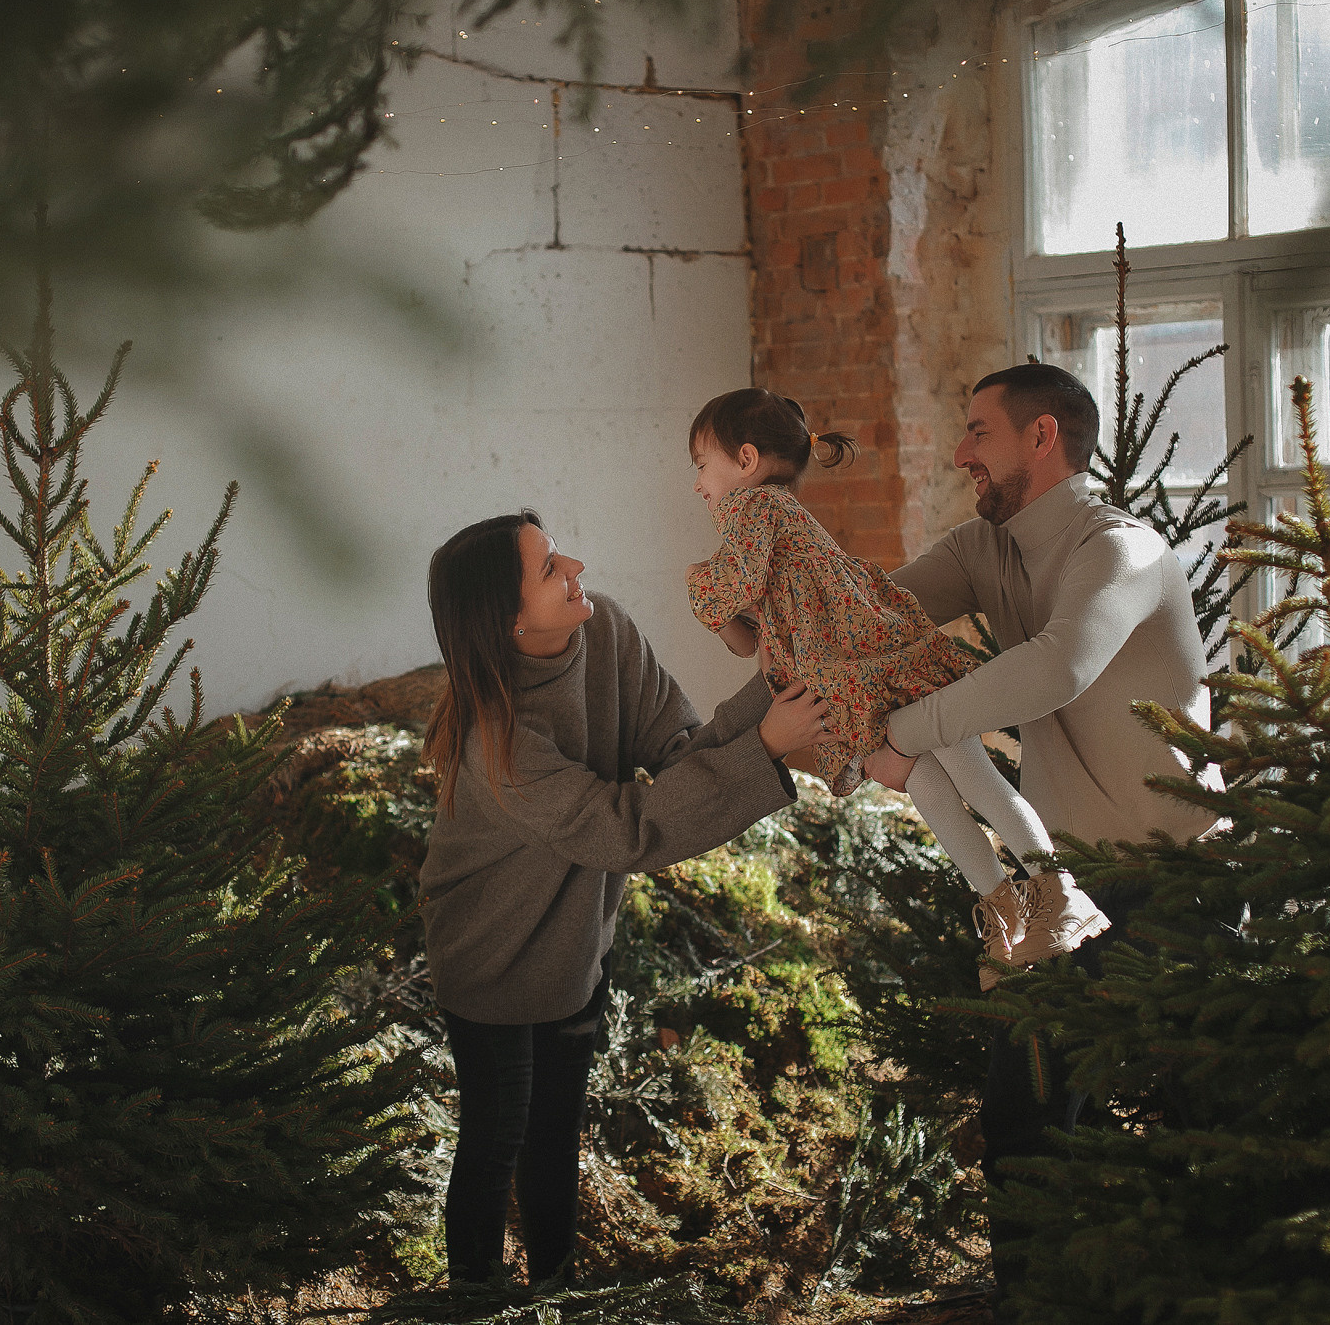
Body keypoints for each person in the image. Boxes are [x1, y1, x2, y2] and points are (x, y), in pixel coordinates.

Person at [872, 362, 1220, 1304]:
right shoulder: (981, 548)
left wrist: (908, 731)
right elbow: (863, 618)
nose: (958, 452)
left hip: (1177, 882)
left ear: (1041, 439)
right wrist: (765, 605)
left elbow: (1059, 665)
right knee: (1022, 1117)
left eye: (978, 431)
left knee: (1206, 1120)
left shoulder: (1126, 551)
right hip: (1056, 891)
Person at [418, 510, 831, 1287]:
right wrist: (769, 745)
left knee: (553, 1135)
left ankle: (556, 1287)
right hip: (491, 955)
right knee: (496, 1138)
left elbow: (679, 754)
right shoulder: (496, 742)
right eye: (548, 568)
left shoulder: (603, 630)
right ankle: (474, 1295)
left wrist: (768, 689)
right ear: (509, 623)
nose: (573, 562)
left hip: (574, 943)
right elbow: (629, 829)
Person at [683, 388, 1109, 984]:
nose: (699, 483)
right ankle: (1005, 913)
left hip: (879, 664)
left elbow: (730, 593)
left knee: (970, 775)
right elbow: (746, 639)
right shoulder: (768, 524)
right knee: (933, 787)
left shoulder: (757, 512)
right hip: (861, 673)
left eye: (702, 465)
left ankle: (1057, 892)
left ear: (747, 461)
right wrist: (719, 603)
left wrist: (697, 584)